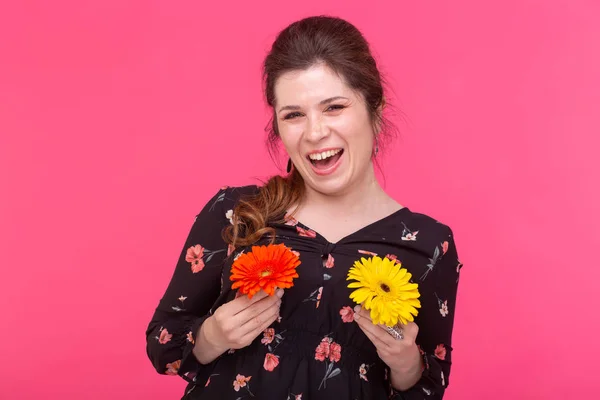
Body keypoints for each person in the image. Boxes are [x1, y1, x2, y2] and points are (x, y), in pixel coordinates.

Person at [145, 15, 462, 400]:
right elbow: (164, 343)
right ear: (277, 128)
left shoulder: (428, 244)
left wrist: (406, 362)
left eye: (334, 107)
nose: (314, 133)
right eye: (293, 115)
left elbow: (431, 382)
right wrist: (212, 336)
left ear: (374, 110)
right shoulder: (238, 212)